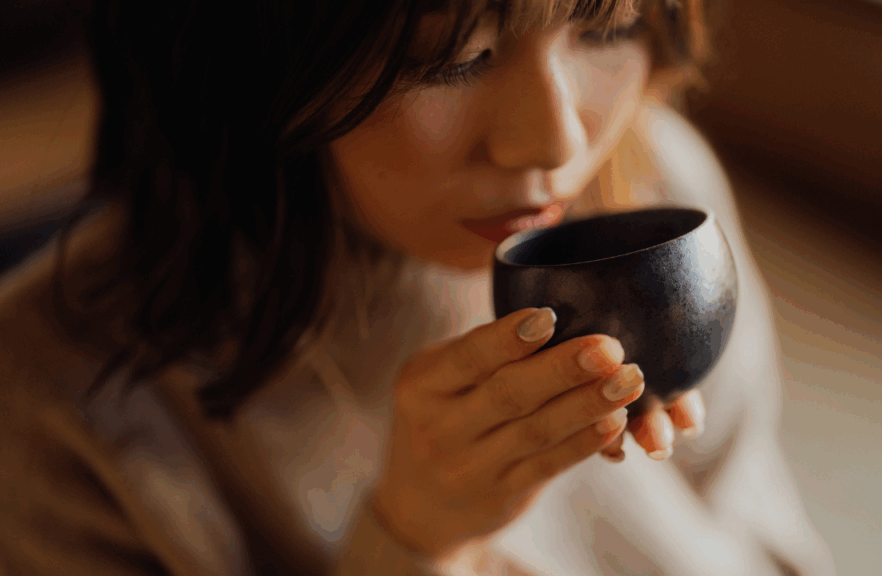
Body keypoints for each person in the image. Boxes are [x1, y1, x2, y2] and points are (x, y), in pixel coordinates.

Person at [0, 0, 837, 574]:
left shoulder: (651, 190)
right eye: (451, 60)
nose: (552, 140)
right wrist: (414, 538)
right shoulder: (50, 394)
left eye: (605, 24)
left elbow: (768, 542)